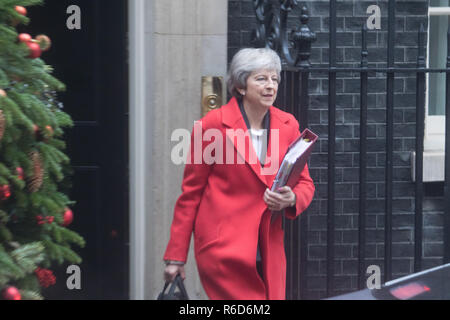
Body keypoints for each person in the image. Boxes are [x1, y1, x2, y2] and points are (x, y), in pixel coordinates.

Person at [163, 47, 315, 300]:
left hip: (269, 246)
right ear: (241, 86)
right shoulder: (213, 125)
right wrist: (176, 257)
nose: (270, 86)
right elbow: (190, 195)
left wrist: (292, 198)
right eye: (261, 79)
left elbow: (305, 183)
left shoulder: (288, 125)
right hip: (223, 249)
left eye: (274, 79)